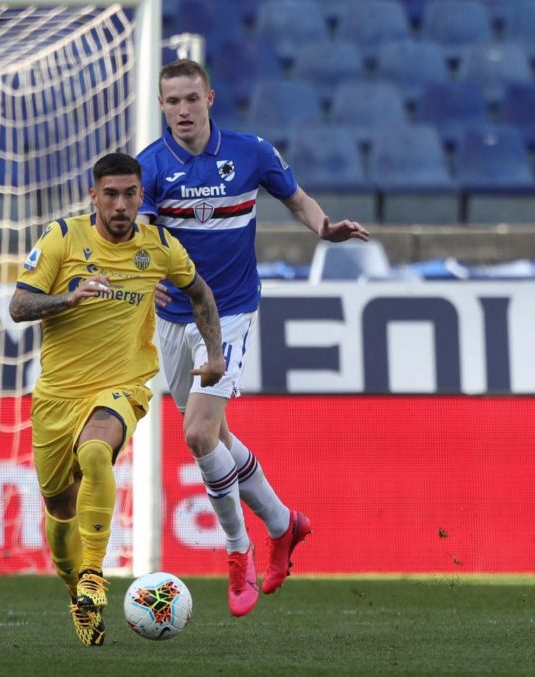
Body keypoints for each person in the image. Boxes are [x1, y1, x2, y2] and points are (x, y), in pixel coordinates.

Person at [136, 59, 370, 617]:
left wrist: (324, 228)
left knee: (198, 434)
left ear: (210, 98)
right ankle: (284, 524)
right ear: (162, 105)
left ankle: (237, 550)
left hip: (231, 313)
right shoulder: (150, 166)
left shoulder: (250, 153)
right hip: (174, 317)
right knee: (215, 438)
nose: (183, 110)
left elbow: (297, 199)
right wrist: (143, 279)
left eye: (192, 98)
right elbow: (141, 239)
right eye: (173, 101)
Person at [10, 152, 226, 647]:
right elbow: (19, 305)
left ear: (141, 196)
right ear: (94, 196)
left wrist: (215, 356)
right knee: (59, 508)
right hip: (57, 395)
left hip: (122, 385)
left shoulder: (160, 247)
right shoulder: (61, 238)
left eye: (130, 194)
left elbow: (200, 293)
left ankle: (93, 574)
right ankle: (78, 596)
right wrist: (69, 297)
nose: (121, 205)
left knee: (95, 452)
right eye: (111, 194)